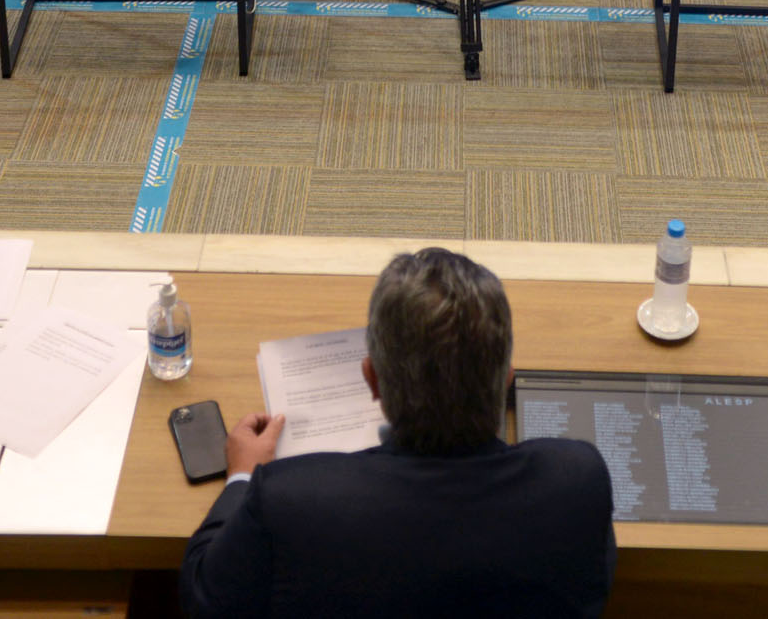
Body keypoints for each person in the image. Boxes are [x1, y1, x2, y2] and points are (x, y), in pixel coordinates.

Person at [179, 247, 613, 619]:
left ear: (372, 380)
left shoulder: (287, 499)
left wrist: (240, 477)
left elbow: (205, 600)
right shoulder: (578, 480)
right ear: (505, 381)